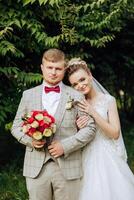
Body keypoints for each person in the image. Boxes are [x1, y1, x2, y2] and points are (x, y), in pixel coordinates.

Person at [11, 49, 96, 200]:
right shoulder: (28, 95)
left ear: (64, 70)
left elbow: (90, 128)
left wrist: (65, 145)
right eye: (49, 67)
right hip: (36, 167)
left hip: (68, 166)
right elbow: (16, 126)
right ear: (42, 68)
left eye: (58, 68)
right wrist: (31, 141)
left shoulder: (76, 95)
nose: (53, 72)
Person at [65, 57, 134, 200]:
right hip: (85, 156)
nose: (80, 86)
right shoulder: (76, 103)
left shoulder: (108, 100)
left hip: (107, 155)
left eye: (82, 79)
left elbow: (115, 133)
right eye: (75, 84)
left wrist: (93, 113)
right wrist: (78, 127)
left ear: (90, 75)